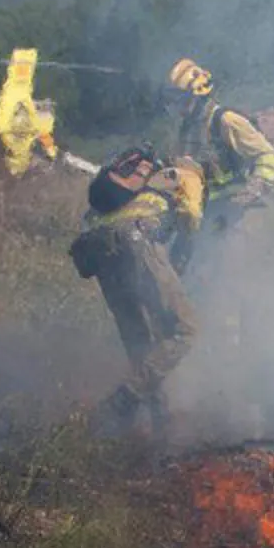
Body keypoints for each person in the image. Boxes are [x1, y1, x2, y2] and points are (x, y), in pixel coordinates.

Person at [69, 147, 205, 437]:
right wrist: (181, 259)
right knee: (186, 330)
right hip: (135, 242)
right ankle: (125, 400)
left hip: (100, 250)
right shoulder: (188, 175)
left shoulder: (134, 184)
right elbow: (191, 216)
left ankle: (158, 423)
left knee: (139, 339)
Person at [166, 58, 274, 232]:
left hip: (240, 208)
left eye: (181, 100)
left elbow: (268, 156)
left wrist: (254, 188)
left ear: (197, 96)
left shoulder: (226, 120)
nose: (176, 106)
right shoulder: (187, 129)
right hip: (211, 209)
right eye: (173, 99)